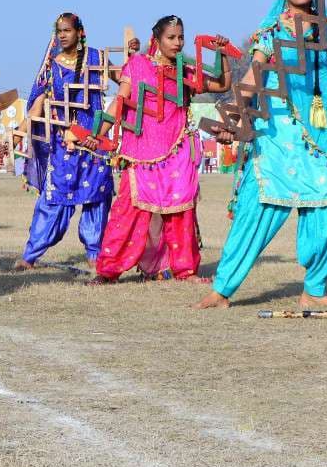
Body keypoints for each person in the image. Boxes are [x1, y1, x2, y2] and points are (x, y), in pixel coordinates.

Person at [199, 0, 327, 309]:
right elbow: (251, 79)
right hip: (278, 129)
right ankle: (221, 291)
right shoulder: (271, 32)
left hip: (319, 132)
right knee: (258, 209)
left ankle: (314, 288)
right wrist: (230, 116)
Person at [91, 16, 232, 284]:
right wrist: (99, 134)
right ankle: (108, 271)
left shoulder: (185, 71)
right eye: (171, 37)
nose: (178, 43)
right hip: (140, 151)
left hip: (177, 149)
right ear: (156, 40)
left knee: (181, 212)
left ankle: (185, 270)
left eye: (181, 37)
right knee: (127, 213)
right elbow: (119, 101)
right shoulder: (138, 65)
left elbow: (222, 85)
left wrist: (222, 54)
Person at [15, 12, 117, 271]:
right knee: (53, 198)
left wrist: (136, 60)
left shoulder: (97, 58)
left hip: (93, 141)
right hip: (64, 143)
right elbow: (38, 101)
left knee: (96, 197)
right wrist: (21, 130)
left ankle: (95, 253)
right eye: (59, 30)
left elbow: (125, 80)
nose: (62, 35)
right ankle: (30, 255)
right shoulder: (51, 64)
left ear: (79, 32)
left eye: (67, 30)